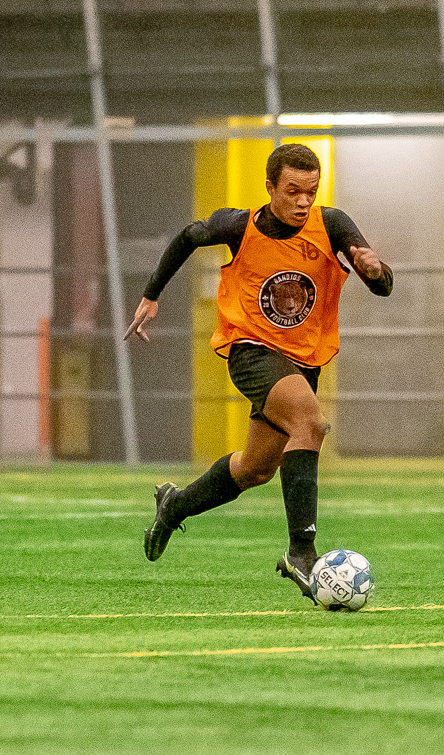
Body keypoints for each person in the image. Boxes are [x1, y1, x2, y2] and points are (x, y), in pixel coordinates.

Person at [126, 142, 394, 599]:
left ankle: (174, 506)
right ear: (270, 187)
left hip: (303, 360)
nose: (303, 201)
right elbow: (188, 237)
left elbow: (383, 286)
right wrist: (152, 295)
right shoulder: (238, 225)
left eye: (310, 191)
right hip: (249, 349)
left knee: (255, 469)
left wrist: (376, 270)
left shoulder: (331, 224)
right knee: (311, 424)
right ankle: (301, 553)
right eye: (292, 191)